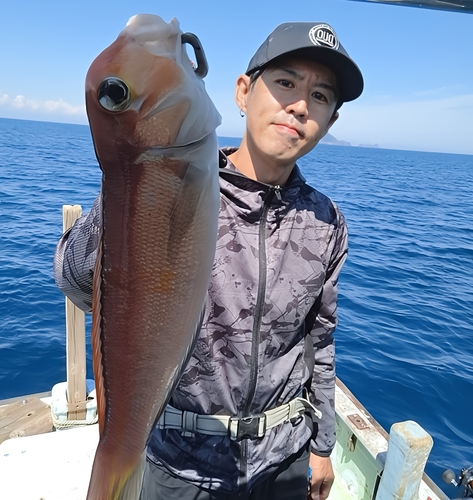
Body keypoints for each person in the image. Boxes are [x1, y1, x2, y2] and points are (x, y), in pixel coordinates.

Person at [54, 21, 363, 500]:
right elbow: (75, 280)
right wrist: (128, 179)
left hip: (283, 464)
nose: (300, 105)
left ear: (330, 120)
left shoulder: (327, 220)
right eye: (285, 82)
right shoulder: (175, 182)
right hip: (180, 466)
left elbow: (319, 340)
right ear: (243, 91)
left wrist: (322, 446)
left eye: (321, 96)